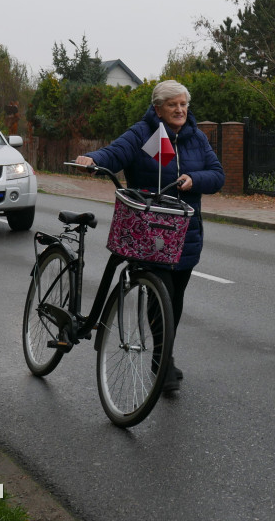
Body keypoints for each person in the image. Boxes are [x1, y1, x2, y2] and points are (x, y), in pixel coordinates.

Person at [74, 80, 225, 393]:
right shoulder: (143, 134)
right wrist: (93, 159)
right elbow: (114, 153)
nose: (180, 110)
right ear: (158, 108)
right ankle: (163, 360)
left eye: (184, 104)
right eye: (173, 105)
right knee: (163, 293)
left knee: (176, 298)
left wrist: (193, 179)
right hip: (148, 229)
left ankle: (161, 355)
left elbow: (217, 175)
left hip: (185, 231)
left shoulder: (197, 138)